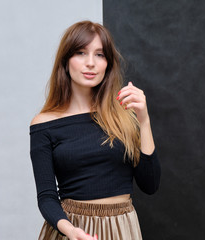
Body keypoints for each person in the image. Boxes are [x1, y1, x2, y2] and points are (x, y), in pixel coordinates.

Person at [29, 21, 161, 240]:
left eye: (100, 55)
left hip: (122, 227)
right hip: (73, 229)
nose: (90, 63)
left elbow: (150, 184)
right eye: (81, 53)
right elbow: (46, 197)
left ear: (108, 64)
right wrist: (71, 231)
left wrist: (144, 120)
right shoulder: (44, 124)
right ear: (66, 60)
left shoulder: (125, 116)